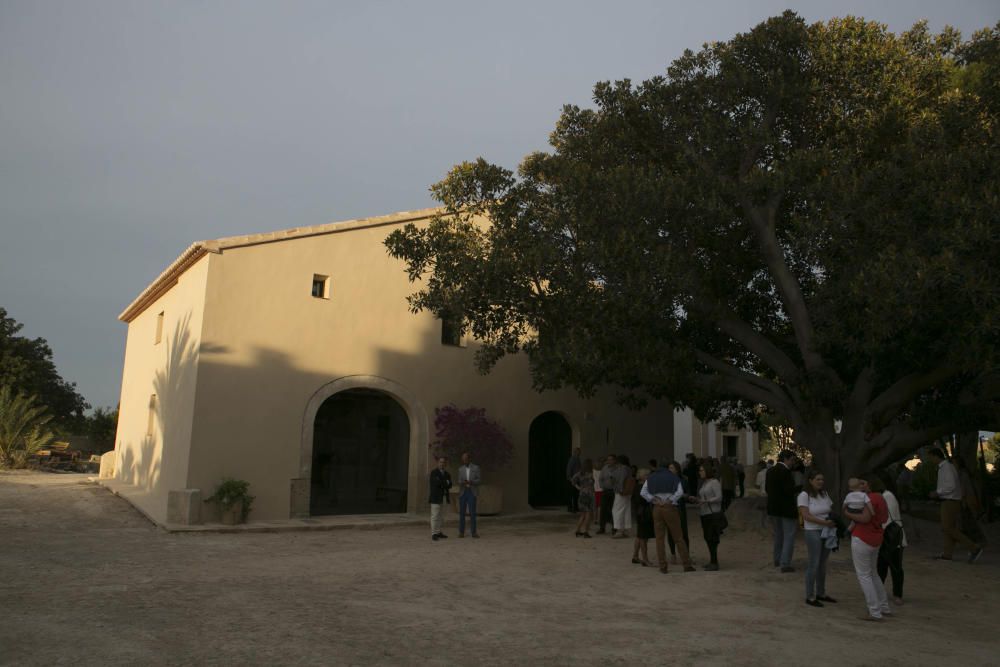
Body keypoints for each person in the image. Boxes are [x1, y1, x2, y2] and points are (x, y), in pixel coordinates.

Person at [844, 475, 891, 621]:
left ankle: (875, 611)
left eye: (863, 483)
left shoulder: (869, 498)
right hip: (876, 537)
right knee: (873, 573)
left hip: (863, 537)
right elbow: (883, 518)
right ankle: (883, 606)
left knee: (864, 575)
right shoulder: (881, 498)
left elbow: (865, 518)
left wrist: (848, 513)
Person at [927, 448, 983, 562]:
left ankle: (974, 548)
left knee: (948, 528)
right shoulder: (946, 467)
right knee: (948, 528)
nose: (930, 460)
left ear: (935, 456)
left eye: (930, 457)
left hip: (950, 501)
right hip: (949, 501)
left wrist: (938, 493)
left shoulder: (946, 468)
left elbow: (951, 486)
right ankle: (947, 554)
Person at [641, 462, 696, 574]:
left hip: (657, 507)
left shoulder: (651, 477)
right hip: (669, 507)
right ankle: (686, 564)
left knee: (659, 538)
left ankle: (663, 566)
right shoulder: (673, 477)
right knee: (678, 537)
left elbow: (643, 492)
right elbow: (680, 492)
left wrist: (653, 499)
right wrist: (671, 500)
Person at [797, 470, 837, 607]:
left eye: (822, 479)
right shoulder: (804, 495)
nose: (820, 482)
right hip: (813, 531)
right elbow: (806, 515)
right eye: (817, 479)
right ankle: (810, 595)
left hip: (826, 531)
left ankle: (821, 592)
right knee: (814, 563)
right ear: (810, 480)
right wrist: (824, 523)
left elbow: (830, 509)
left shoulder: (824, 494)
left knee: (822, 563)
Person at [870, 477, 905, 605]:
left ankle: (898, 594)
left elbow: (886, 518)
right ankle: (879, 591)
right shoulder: (883, 496)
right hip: (886, 535)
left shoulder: (887, 496)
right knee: (882, 565)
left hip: (892, 535)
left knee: (895, 566)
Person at [766, 450, 798, 572]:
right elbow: (788, 491)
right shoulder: (786, 472)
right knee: (789, 535)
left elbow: (767, 489)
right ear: (785, 459)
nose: (793, 462)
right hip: (786, 508)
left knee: (779, 535)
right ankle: (785, 563)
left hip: (774, 508)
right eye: (792, 460)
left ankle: (777, 559)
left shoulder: (770, 471)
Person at [688, 461, 723, 570]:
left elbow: (719, 497)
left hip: (712, 514)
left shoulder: (714, 482)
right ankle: (712, 561)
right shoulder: (704, 483)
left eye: (702, 470)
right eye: (700, 470)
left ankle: (714, 562)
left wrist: (707, 501)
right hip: (704, 513)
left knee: (712, 538)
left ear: (707, 471)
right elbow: (703, 498)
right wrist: (697, 500)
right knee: (708, 538)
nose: (700, 472)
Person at [666, 461, 691, 564]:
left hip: (680, 508)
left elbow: (687, 493)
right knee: (671, 532)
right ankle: (673, 554)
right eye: (669, 468)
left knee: (684, 532)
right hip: (670, 507)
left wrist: (684, 496)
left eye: (671, 468)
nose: (669, 470)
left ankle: (686, 555)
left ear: (677, 469)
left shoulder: (683, 480)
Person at [631, 468, 653, 565]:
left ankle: (635, 556)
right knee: (644, 537)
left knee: (640, 536)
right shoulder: (643, 487)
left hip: (639, 513)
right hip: (644, 514)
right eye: (647, 475)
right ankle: (645, 559)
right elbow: (644, 500)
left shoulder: (637, 486)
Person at [457, 452, 480, 538]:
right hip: (463, 492)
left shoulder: (476, 467)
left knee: (472, 513)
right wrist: (462, 482)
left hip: (472, 491)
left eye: (466, 458)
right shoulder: (460, 469)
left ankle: (474, 532)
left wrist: (471, 482)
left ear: (469, 459)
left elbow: (479, 480)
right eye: (463, 458)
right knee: (462, 513)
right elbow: (459, 481)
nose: (464, 460)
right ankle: (461, 532)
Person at [428, 456, 452, 541]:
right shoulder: (434, 473)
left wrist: (444, 483)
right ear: (438, 463)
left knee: (442, 516)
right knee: (435, 516)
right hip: (436, 497)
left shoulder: (447, 474)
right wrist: (445, 482)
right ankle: (434, 533)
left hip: (444, 498)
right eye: (440, 462)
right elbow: (437, 484)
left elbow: (450, 485)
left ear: (445, 464)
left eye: (443, 462)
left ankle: (438, 532)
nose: (442, 464)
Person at [572, 459, 595, 538]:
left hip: (582, 494)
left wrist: (579, 488)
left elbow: (573, 481)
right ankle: (586, 531)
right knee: (588, 514)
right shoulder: (591, 474)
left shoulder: (580, 473)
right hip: (589, 494)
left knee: (582, 514)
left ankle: (578, 531)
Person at [612, 455, 633, 538]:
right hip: (628, 492)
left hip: (621, 492)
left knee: (617, 510)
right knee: (626, 510)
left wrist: (619, 489)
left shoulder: (622, 468)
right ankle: (624, 529)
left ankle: (619, 530)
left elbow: (620, 480)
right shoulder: (628, 469)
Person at [597, 454, 617, 535]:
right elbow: (600, 478)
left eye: (611, 459)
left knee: (613, 510)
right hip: (605, 491)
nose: (609, 461)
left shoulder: (617, 469)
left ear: (614, 460)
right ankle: (602, 528)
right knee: (603, 509)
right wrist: (602, 486)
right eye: (608, 460)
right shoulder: (605, 468)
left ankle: (614, 528)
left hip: (614, 491)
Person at [565, 446, 581, 513]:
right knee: (571, 494)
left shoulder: (578, 459)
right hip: (572, 479)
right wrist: (570, 478)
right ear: (575, 452)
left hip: (577, 479)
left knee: (576, 494)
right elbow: (569, 469)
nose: (579, 453)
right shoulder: (572, 459)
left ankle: (575, 507)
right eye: (578, 451)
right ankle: (570, 508)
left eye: (579, 452)